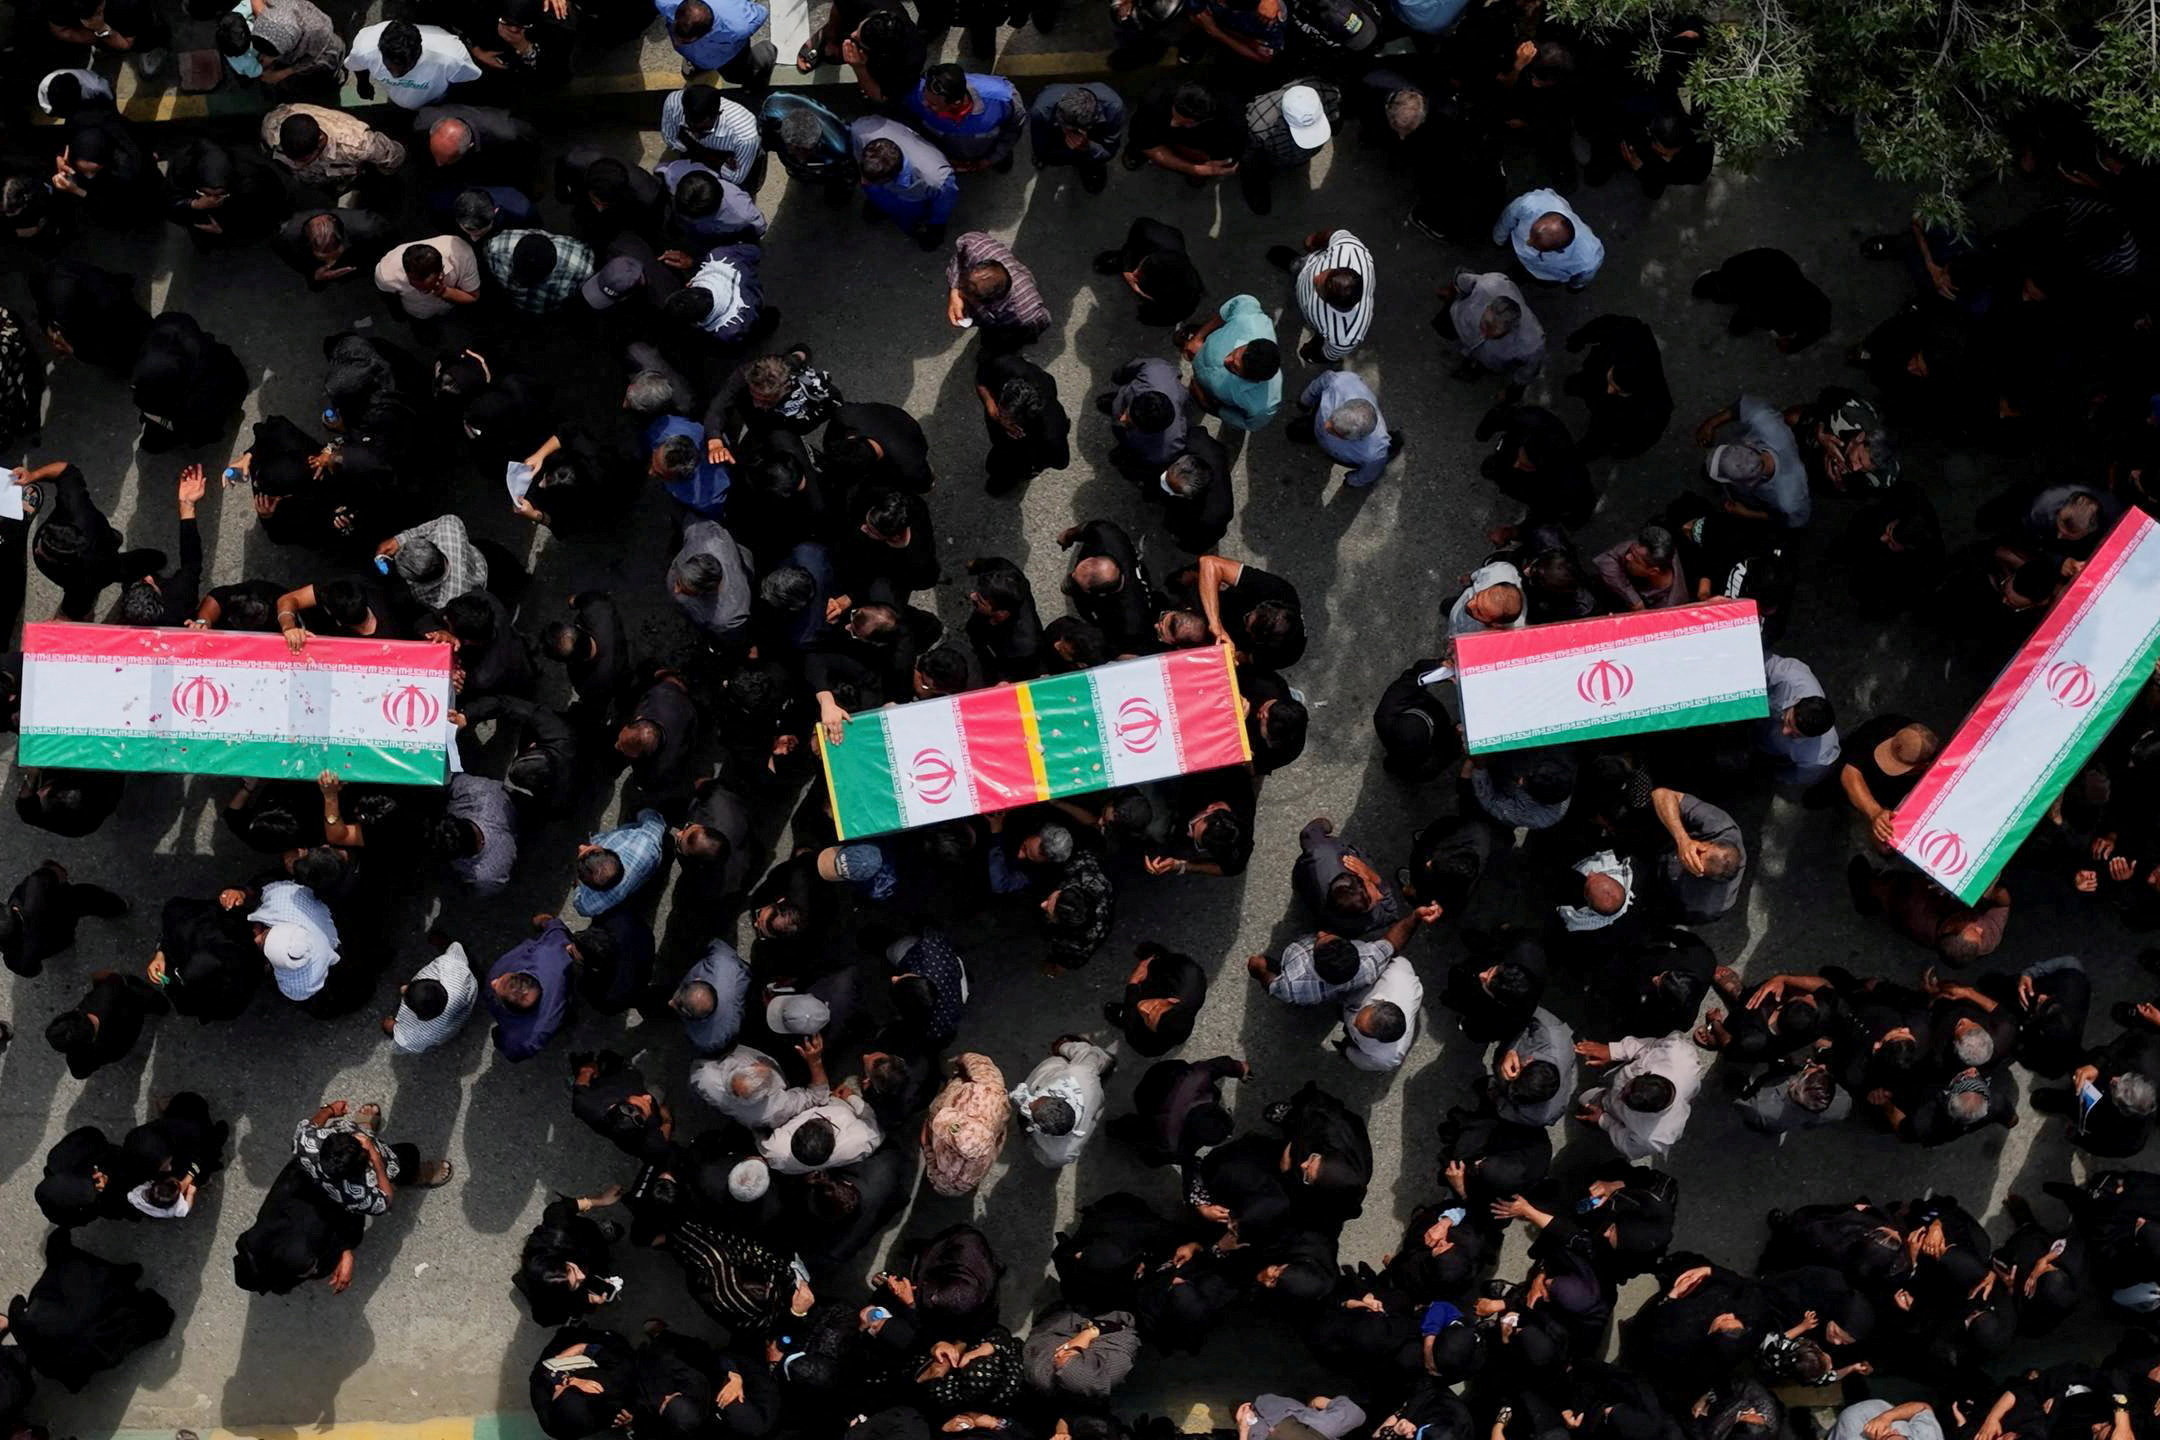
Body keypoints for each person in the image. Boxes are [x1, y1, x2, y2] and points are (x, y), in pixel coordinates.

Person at [6, 1230, 173, 1392]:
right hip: (94, 1301)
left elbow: (17, 1308)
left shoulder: (48, 1356)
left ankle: (139, 1298)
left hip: (96, 1345)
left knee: (137, 1318)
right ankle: (127, 1281)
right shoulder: (30, 1324)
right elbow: (17, 1305)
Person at [292, 1099, 454, 1214]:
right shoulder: (360, 1195)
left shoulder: (306, 1142)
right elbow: (386, 1200)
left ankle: (365, 1127)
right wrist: (376, 1159)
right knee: (407, 1154)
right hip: (380, 1168)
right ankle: (413, 1176)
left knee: (363, 1131)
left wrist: (329, 1110)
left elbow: (310, 1126)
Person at [1575, 1033, 1704, 1159]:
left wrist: (1604, 1120)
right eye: (1626, 1089)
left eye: (1626, 1102)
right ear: (1647, 1073)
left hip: (1611, 1111)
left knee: (1583, 1102)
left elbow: (1627, 1143)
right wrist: (1614, 1051)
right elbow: (1651, 1045)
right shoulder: (1677, 1052)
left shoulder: (1654, 1138)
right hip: (1621, 1074)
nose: (1620, 1095)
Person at [1695, 392, 1811, 529]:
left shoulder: (1789, 497)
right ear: (1749, 446)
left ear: (1750, 483)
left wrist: (1749, 514)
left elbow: (1797, 520)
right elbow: (1745, 406)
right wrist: (1711, 423)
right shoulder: (1766, 423)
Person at [0, 858, 126, 978]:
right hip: (69, 904)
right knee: (91, 898)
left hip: (58, 942)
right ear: (12, 909)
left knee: (66, 938)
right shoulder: (34, 888)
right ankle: (119, 907)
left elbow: (34, 970)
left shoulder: (15, 961)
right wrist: (52, 871)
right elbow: (56, 873)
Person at [1692, 248, 1831, 351]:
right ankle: (1718, 284)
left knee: (1748, 313)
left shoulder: (1788, 319)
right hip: (1775, 279)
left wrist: (1792, 344)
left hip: (1774, 283)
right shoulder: (1801, 310)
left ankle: (1718, 284)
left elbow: (1754, 310)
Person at [1270, 227, 1375, 364]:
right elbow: (1332, 235)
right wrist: (1312, 241)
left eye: (1318, 288)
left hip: (1313, 319)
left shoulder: (1343, 336)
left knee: (1318, 336)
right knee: (1297, 265)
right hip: (1306, 264)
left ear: (1329, 303)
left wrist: (1312, 352)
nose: (1315, 277)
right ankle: (1296, 266)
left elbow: (1328, 354)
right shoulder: (1350, 250)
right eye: (1326, 272)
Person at [851, 116, 958, 249]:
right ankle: (880, 206)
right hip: (881, 191)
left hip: (912, 203)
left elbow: (944, 202)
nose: (862, 181)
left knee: (910, 216)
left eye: (871, 179)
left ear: (893, 176)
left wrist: (936, 226)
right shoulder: (861, 130)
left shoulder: (936, 179)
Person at [1181, 293, 1282, 431]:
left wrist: (1211, 406)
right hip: (1200, 353)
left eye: (1234, 367)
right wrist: (1199, 337)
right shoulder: (1250, 320)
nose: (1226, 360)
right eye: (1234, 353)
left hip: (1209, 397)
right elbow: (1237, 304)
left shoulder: (1264, 405)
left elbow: (1251, 423)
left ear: (1253, 380)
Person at [1011, 1037, 1116, 1167]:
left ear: (1040, 1129)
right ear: (1061, 1100)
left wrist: (1030, 1140)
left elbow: (1046, 1159)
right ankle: (1106, 1064)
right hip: (1089, 1090)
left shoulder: (1059, 1153)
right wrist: (1063, 1046)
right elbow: (1088, 1053)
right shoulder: (1080, 1074)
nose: (1030, 1101)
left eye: (1029, 1107)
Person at [1239, 80, 1340, 215]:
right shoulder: (1260, 124)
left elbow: (1336, 119)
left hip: (1293, 156)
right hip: (1273, 156)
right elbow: (1250, 156)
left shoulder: (1327, 92)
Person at [487, 917, 578, 1061]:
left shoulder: (523, 1041)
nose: (493, 981)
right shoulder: (548, 953)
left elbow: (512, 1052)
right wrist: (543, 922)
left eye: (496, 983)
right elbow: (555, 927)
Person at [47, 969, 166, 1080]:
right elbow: (106, 976)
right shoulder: (106, 995)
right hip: (132, 1013)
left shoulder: (78, 1057)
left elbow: (79, 1073)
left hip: (121, 1048)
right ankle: (158, 1004)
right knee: (145, 996)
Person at [1288, 370, 1400, 487]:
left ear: (1357, 438)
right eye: (1332, 419)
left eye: (1334, 431)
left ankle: (1392, 448)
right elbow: (1318, 385)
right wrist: (1305, 401)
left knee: (1382, 459)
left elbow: (1367, 474)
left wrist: (1353, 481)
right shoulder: (1339, 381)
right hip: (1317, 430)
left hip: (1342, 458)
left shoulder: (1375, 454)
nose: (1326, 425)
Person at [908, 65, 1027, 171]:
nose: (924, 104)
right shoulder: (916, 94)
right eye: (924, 95)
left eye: (933, 105)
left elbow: (1014, 129)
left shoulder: (1003, 98)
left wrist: (993, 158)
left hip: (988, 151)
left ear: (956, 103)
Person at [923, 1052, 1009, 1196]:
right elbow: (978, 1063)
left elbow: (942, 1185)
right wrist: (961, 1059)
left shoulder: (955, 1177)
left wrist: (926, 1145)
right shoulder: (990, 1091)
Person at [1441, 271, 1545, 389]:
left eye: (1495, 329)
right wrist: (1449, 292)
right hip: (1461, 328)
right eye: (1485, 322)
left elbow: (1529, 369)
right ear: (1487, 307)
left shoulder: (1531, 343)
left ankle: (1471, 370)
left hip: (1488, 359)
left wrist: (1515, 386)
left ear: (1511, 329)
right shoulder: (1488, 285)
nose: (1485, 331)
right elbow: (1460, 280)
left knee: (1481, 366)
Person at [344, 18, 482, 108]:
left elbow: (465, 82)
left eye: (405, 68)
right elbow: (358, 65)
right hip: (394, 98)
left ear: (417, 53)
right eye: (390, 67)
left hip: (433, 104)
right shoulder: (364, 48)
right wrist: (363, 84)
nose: (396, 75)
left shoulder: (452, 57)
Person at [1493, 188, 1604, 289]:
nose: (1528, 242)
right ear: (1540, 217)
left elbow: (1584, 276)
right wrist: (1499, 239)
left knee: (1530, 277)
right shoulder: (1531, 203)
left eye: (1538, 246)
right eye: (1532, 233)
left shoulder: (1587, 258)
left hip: (1545, 274)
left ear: (1560, 250)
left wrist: (1575, 286)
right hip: (1519, 254)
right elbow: (1508, 217)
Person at [1759, 654, 1841, 786]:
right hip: (1757, 709)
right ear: (1797, 701)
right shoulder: (1790, 675)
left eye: (1796, 735)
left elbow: (1800, 777)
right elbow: (1757, 662)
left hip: (1770, 751)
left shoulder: (1818, 756)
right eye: (1789, 722)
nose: (1785, 731)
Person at [384, 937, 479, 1052]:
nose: (403, 989)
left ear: (420, 1015)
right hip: (466, 995)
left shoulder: (409, 1040)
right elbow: (456, 947)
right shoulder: (450, 969)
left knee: (387, 1025)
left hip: (443, 1032)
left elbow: (398, 1047)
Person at [1029, 83, 1126, 190]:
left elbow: (1110, 149)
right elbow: (1039, 147)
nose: (1067, 131)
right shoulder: (1041, 111)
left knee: (1096, 158)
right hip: (1054, 133)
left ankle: (1089, 167)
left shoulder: (1114, 108)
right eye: (1064, 125)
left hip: (1093, 137)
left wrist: (1088, 146)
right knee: (1046, 155)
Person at [656, 0, 776, 82]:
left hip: (730, 58)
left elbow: (761, 11)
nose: (676, 43)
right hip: (706, 55)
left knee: (738, 76)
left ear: (709, 30)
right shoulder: (663, 2)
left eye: (685, 41)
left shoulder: (739, 26)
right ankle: (698, 65)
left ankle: (767, 52)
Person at [376, 236, 483, 321]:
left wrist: (444, 292)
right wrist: (398, 314)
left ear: (441, 274)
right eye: (415, 283)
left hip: (450, 306)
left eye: (430, 286)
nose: (423, 291)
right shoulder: (386, 274)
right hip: (417, 313)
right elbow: (388, 297)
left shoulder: (461, 255)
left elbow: (472, 296)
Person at [1590, 525, 1686, 610]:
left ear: (1653, 571)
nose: (1627, 557)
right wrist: (1633, 599)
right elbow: (1608, 560)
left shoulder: (1669, 606)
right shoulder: (1659, 550)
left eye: (1634, 558)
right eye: (1631, 551)